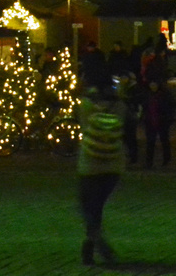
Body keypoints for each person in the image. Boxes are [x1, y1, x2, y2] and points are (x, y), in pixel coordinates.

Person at [75, 71, 127, 265]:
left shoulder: (86, 104)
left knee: (87, 206)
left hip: (90, 163)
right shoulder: (119, 105)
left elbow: (83, 126)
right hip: (114, 163)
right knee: (97, 206)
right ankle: (89, 248)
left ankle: (95, 242)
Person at [141, 77, 175, 169]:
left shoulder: (164, 95)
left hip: (162, 121)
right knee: (150, 142)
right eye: (151, 84)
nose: (153, 86)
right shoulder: (147, 95)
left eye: (154, 84)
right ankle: (149, 162)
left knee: (164, 140)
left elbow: (171, 106)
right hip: (150, 121)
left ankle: (166, 160)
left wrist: (167, 117)